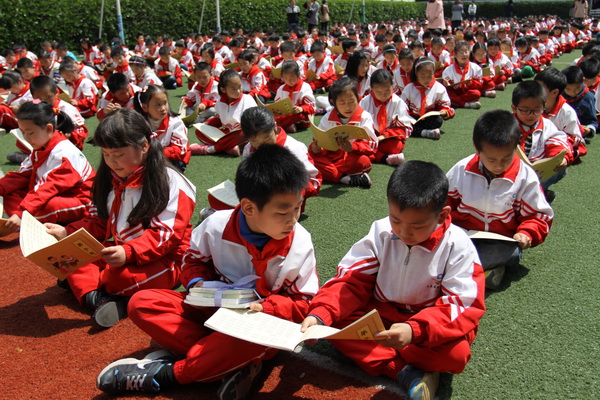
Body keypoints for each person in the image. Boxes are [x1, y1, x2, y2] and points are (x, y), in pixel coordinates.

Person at [96, 144, 319, 400]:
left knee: (248, 340)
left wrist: (266, 308)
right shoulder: (215, 225)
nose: (293, 219)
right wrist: (198, 282)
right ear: (248, 208)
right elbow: (192, 261)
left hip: (258, 326)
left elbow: (303, 302)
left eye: (297, 207)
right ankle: (225, 361)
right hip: (214, 311)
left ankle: (167, 374)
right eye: (282, 212)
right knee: (142, 303)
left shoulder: (300, 243)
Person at [301, 160, 485, 400]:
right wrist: (321, 314)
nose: (404, 232)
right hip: (381, 316)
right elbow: (351, 280)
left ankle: (378, 356)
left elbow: (462, 304)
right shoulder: (381, 232)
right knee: (335, 323)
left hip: (425, 325)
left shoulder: (458, 246)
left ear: (442, 216)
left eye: (417, 226)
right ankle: (403, 370)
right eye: (395, 220)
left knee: (455, 356)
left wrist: (414, 330)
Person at [45, 108, 196, 328]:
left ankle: (93, 290)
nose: (111, 162)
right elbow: (98, 221)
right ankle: (99, 298)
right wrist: (67, 232)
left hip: (168, 260)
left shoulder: (172, 182)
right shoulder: (110, 178)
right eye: (106, 154)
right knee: (70, 257)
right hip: (120, 252)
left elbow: (166, 235)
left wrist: (128, 252)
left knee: (116, 278)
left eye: (118, 155)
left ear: (144, 146)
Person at [447, 110, 554, 289]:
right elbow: (443, 204)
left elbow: (538, 215)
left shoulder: (525, 177)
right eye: (491, 159)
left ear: (516, 148)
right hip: (463, 235)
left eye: (506, 158)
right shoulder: (462, 169)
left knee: (511, 252)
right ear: (477, 149)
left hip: (501, 241)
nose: (498, 165)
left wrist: (526, 233)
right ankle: (482, 272)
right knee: (443, 242)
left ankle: (457, 271)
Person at [0, 100, 94, 234]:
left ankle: (17, 220)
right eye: (23, 132)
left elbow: (47, 188)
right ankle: (15, 218)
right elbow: (21, 175)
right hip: (54, 194)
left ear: (49, 129)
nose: (26, 138)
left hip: (81, 200)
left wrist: (21, 213)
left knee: (45, 207)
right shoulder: (42, 146)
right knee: (11, 193)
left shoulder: (64, 154)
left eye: (30, 133)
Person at [308, 77, 377, 188]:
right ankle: (344, 178)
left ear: (358, 99)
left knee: (363, 161)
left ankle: (332, 175)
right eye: (342, 103)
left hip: (351, 158)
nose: (348, 107)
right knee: (309, 158)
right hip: (331, 158)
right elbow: (320, 140)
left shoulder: (364, 117)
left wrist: (353, 147)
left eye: (351, 102)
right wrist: (315, 148)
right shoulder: (327, 118)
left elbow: (372, 145)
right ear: (333, 102)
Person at [511, 81, 573, 200]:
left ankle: (532, 194)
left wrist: (560, 159)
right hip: (509, 171)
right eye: (525, 110)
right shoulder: (506, 123)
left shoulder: (546, 125)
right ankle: (533, 196)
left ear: (544, 107)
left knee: (560, 169)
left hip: (535, 172)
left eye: (537, 110)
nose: (531, 115)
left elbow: (557, 142)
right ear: (514, 108)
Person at [190, 69, 258, 157]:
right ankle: (230, 148)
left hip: (242, 135)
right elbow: (219, 119)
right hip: (226, 134)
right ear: (223, 89)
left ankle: (210, 149)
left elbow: (253, 125)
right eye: (233, 88)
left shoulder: (248, 99)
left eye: (239, 86)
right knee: (199, 131)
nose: (238, 91)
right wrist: (207, 124)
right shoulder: (220, 103)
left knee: (244, 133)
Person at [133, 84, 191, 172]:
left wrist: (157, 153)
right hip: (150, 157)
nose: (163, 108)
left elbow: (180, 149)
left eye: (165, 103)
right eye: (158, 105)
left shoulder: (175, 122)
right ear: (145, 107)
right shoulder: (141, 122)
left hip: (172, 158)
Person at [360, 69, 412, 166]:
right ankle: (384, 158)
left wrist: (384, 136)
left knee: (396, 147)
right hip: (369, 138)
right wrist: (372, 137)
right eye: (379, 92)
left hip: (387, 139)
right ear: (371, 89)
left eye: (387, 91)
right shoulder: (365, 102)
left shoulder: (398, 102)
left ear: (392, 85)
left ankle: (375, 155)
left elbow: (404, 128)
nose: (383, 96)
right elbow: (358, 124)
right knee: (360, 146)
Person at [535, 67, 587, 162]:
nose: (533, 90)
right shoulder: (530, 104)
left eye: (539, 88)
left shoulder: (566, 112)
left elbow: (576, 140)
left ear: (554, 92)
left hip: (558, 146)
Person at [402, 57, 454, 140]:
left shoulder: (439, 88)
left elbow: (445, 106)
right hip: (413, 118)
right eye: (422, 76)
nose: (426, 80)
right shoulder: (409, 88)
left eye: (429, 76)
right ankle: (424, 132)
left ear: (434, 73)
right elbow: (402, 107)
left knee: (438, 120)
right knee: (403, 123)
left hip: (429, 120)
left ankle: (419, 131)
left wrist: (444, 112)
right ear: (416, 74)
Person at [30, 75, 88, 149]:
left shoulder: (66, 109)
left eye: (48, 97)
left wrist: (70, 135)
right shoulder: (37, 108)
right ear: (33, 97)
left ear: (56, 92)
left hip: (67, 146)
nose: (45, 101)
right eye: (40, 99)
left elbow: (82, 130)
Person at [273, 60, 315, 133]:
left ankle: (278, 126)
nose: (289, 81)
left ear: (298, 74)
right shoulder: (281, 89)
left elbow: (312, 107)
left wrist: (302, 108)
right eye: (285, 78)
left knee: (299, 116)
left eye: (292, 78)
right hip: (286, 115)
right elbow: (277, 105)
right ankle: (286, 125)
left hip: (301, 116)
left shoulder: (305, 87)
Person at [442, 41, 483, 109]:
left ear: (469, 53)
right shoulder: (448, 70)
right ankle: (465, 104)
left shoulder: (476, 68)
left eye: (466, 52)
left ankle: (456, 103)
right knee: (447, 94)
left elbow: (480, 85)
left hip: (467, 92)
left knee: (477, 93)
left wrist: (471, 83)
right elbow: (447, 87)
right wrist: (446, 84)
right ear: (455, 54)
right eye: (461, 52)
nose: (464, 54)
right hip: (455, 93)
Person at [561, 65, 597, 139]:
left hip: (578, 134)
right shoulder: (558, 94)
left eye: (577, 88)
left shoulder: (588, 97)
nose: (573, 92)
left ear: (583, 81)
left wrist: (589, 129)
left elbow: (592, 121)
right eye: (568, 89)